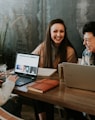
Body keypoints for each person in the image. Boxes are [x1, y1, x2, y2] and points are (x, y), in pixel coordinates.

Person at [32, 18, 86, 120]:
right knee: (37, 93)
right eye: (55, 31)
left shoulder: (69, 51)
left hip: (62, 89)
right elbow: (30, 60)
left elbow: (70, 76)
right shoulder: (43, 47)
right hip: (44, 86)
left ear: (65, 33)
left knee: (45, 97)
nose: (58, 34)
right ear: (50, 33)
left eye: (61, 31)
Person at [80, 21, 95, 120]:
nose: (84, 43)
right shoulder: (86, 53)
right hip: (88, 93)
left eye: (87, 40)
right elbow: (81, 74)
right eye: (84, 40)